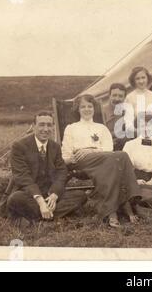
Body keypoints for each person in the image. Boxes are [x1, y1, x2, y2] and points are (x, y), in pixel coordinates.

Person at [62, 94, 141, 228]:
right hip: (82, 161)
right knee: (117, 158)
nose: (87, 109)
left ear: (94, 108)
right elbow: (66, 154)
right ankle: (127, 204)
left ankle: (111, 211)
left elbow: (109, 149)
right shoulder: (71, 128)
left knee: (120, 156)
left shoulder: (101, 128)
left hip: (103, 159)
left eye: (90, 106)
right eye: (83, 107)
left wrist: (91, 150)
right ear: (78, 110)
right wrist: (74, 158)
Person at [5, 111, 87, 226]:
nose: (46, 129)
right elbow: (23, 177)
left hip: (49, 194)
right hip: (29, 194)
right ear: (33, 126)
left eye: (49, 125)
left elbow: (61, 172)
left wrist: (54, 194)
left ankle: (40, 218)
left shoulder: (55, 147)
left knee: (80, 195)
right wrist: (40, 202)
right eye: (41, 124)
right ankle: (51, 216)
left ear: (53, 127)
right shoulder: (19, 146)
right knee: (15, 199)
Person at [123, 119, 152, 196]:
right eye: (143, 126)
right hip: (134, 180)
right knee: (147, 194)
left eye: (149, 126)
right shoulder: (129, 145)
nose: (146, 129)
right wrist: (135, 181)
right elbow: (124, 168)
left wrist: (151, 182)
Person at [124, 66, 152, 132]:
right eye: (137, 79)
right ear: (133, 81)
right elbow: (128, 122)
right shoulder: (129, 97)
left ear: (147, 78)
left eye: (143, 77)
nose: (141, 81)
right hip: (136, 133)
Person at [102, 83, 129, 151]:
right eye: (114, 95)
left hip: (124, 147)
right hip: (105, 147)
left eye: (120, 96)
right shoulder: (102, 111)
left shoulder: (127, 112)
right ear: (109, 96)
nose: (117, 99)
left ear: (124, 98)